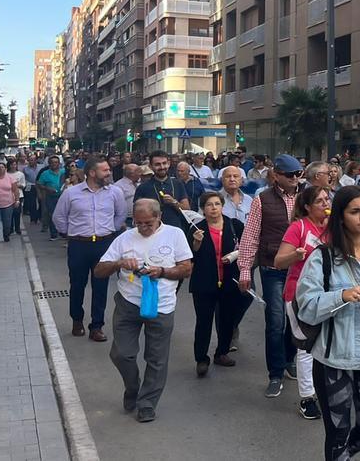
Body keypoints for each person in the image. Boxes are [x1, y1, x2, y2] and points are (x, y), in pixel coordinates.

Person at [294, 185, 360, 461]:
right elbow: (307, 307)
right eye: (355, 212)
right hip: (333, 359)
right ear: (340, 217)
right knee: (337, 433)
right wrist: (341, 296)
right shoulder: (322, 257)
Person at [94, 199, 193, 423]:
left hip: (162, 306)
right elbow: (99, 270)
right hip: (129, 304)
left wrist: (162, 271)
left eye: (148, 223)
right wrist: (119, 263)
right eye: (138, 223)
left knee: (156, 358)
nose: (142, 228)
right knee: (121, 353)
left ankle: (147, 402)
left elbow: (186, 268)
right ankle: (132, 387)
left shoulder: (174, 234)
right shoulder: (124, 238)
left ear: (159, 218)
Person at [238, 153, 304, 398]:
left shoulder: (307, 197)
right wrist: (245, 270)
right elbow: (251, 236)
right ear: (276, 175)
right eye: (290, 175)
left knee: (297, 319)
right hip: (272, 268)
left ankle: (289, 359)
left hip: (301, 268)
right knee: (275, 321)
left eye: (298, 174)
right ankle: (275, 374)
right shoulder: (262, 199)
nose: (295, 179)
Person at [275, 185, 333, 420]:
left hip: (328, 294)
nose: (326, 204)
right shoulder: (297, 227)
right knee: (307, 346)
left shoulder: (333, 228)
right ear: (308, 207)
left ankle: (325, 388)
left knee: (327, 342)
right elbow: (279, 262)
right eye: (319, 201)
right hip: (299, 294)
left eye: (327, 199)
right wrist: (295, 255)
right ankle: (307, 397)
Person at [53, 157, 126, 341]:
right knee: (77, 284)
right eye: (105, 170)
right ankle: (77, 320)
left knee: (100, 286)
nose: (109, 173)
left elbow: (121, 215)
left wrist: (110, 232)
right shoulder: (72, 193)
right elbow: (59, 217)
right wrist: (69, 233)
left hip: (104, 244)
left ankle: (97, 326)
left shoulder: (115, 192)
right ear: (92, 173)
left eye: (109, 170)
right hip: (79, 244)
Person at [188, 193, 250, 378]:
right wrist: (196, 243)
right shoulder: (195, 229)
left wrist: (234, 256)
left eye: (217, 204)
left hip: (230, 280)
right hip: (204, 282)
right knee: (204, 321)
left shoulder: (234, 225)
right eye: (209, 205)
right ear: (203, 208)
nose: (213, 208)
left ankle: (221, 353)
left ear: (222, 206)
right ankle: (201, 359)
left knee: (227, 320)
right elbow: (189, 256)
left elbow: (247, 248)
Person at [135, 151, 190, 231]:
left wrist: (174, 202)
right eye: (157, 164)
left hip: (175, 230)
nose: (162, 167)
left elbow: (187, 209)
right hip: (151, 232)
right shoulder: (143, 187)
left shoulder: (178, 184)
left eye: (164, 163)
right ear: (150, 166)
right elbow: (137, 213)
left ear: (169, 163)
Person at [37, 155, 65, 240]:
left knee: (63, 215)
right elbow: (39, 184)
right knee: (52, 214)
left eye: (56, 162)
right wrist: (46, 188)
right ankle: (54, 234)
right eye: (52, 162)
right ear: (49, 164)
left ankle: (62, 232)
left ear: (59, 163)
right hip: (51, 197)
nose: (54, 164)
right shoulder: (45, 173)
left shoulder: (63, 172)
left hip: (63, 197)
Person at [22, 154, 42, 225]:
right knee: (32, 203)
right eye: (29, 160)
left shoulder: (41, 167)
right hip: (30, 186)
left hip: (40, 186)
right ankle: (33, 218)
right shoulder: (25, 169)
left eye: (32, 160)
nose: (31, 161)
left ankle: (40, 216)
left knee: (41, 202)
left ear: (36, 160)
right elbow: (23, 178)